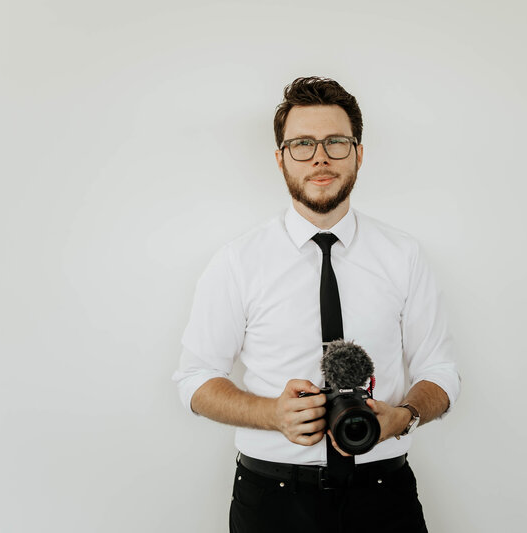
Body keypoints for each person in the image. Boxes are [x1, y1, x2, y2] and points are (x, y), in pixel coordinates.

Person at [172, 76, 461, 533]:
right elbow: (194, 379)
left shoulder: (404, 256)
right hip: (273, 501)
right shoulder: (237, 262)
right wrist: (271, 413)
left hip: (384, 495)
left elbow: (440, 372)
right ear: (281, 158)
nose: (320, 156)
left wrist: (402, 418)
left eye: (336, 142)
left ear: (359, 154)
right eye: (302, 144)